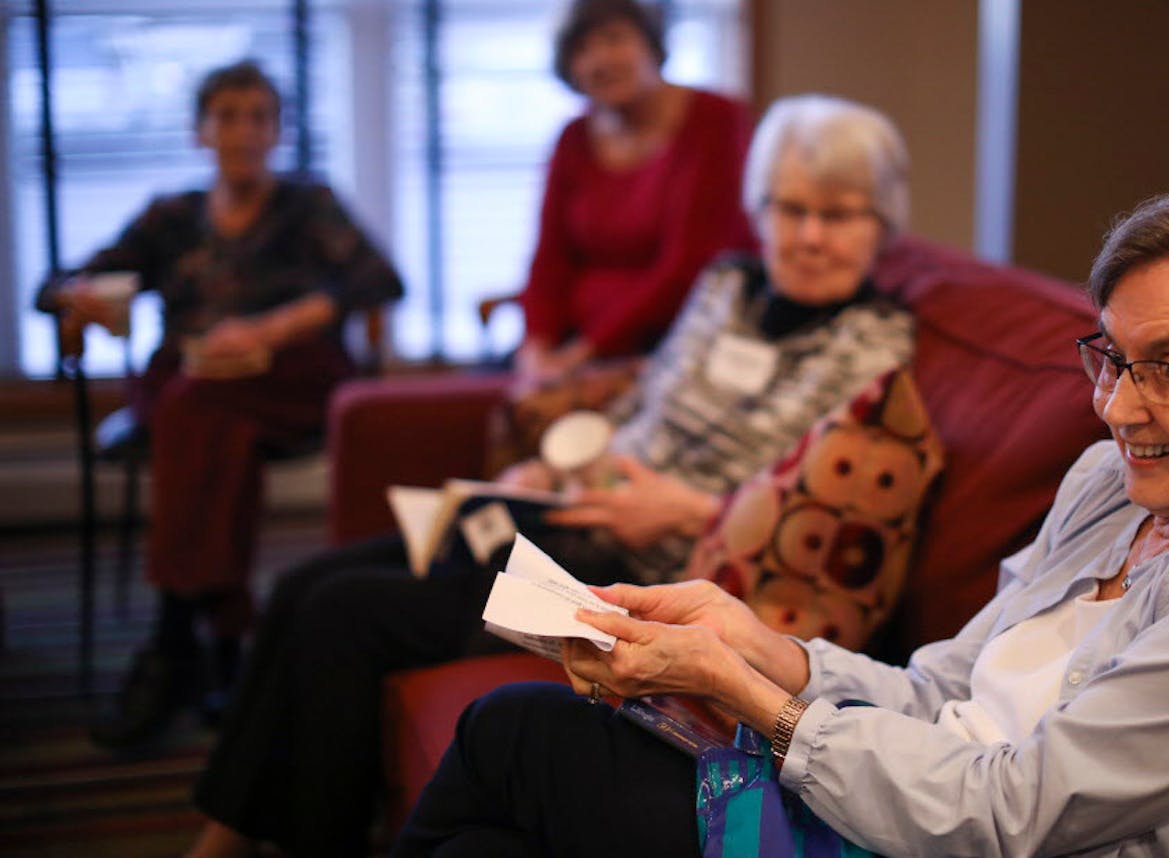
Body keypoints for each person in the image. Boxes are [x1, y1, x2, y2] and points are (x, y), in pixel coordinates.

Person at [394, 185, 1169, 858]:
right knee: (493, 826)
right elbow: (941, 686)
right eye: (1110, 358)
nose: (1116, 407)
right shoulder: (1112, 485)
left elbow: (1011, 815)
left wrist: (750, 698)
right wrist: (757, 644)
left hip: (962, 837)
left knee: (512, 736)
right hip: (903, 804)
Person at [182, 93, 914, 858]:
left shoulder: (873, 349)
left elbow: (807, 511)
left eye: (839, 215)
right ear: (758, 210)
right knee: (306, 585)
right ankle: (224, 835)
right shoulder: (728, 286)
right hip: (563, 511)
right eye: (788, 208)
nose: (807, 235)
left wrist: (686, 512)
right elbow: (649, 401)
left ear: (884, 225)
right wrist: (567, 466)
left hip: (634, 575)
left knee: (343, 613)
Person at [34, 59, 404, 749]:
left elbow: (379, 279)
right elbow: (55, 281)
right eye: (227, 116)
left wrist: (268, 328)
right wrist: (78, 298)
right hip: (197, 391)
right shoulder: (170, 217)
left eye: (259, 116)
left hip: (288, 376)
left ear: (279, 128)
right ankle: (229, 646)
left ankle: (173, 644)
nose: (244, 132)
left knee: (192, 407)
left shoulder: (308, 204)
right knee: (210, 420)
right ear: (199, 131)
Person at [511, 0, 756, 391]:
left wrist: (583, 355)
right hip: (574, 344)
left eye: (614, 39)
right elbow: (549, 258)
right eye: (581, 50)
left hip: (677, 340)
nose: (599, 60)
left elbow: (690, 265)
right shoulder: (573, 138)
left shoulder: (716, 119)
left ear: (652, 45)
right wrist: (536, 349)